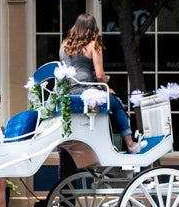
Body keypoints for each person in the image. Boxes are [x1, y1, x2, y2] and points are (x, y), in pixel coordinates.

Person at [59, 13, 141, 153]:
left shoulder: (64, 45)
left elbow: (75, 70)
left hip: (68, 92)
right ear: (92, 28)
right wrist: (106, 87)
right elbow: (99, 75)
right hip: (87, 93)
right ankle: (130, 144)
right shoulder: (93, 44)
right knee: (117, 103)